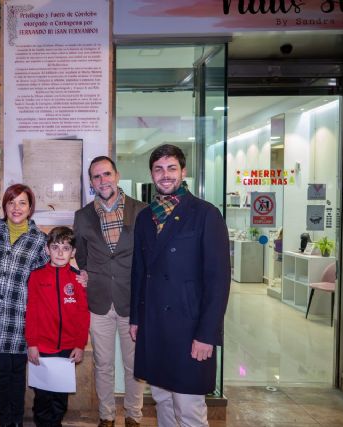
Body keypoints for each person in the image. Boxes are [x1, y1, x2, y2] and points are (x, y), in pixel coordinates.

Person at [129, 144, 231, 427]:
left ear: (183, 171)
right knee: (162, 399)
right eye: (159, 169)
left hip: (190, 328)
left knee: (189, 407)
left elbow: (218, 281)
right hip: (155, 326)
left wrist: (207, 335)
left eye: (171, 168)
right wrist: (136, 319)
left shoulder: (205, 214)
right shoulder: (145, 218)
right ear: (151, 174)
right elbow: (140, 273)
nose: (165, 175)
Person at [73, 156, 147, 427]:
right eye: (96, 177)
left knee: (134, 365)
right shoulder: (82, 217)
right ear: (91, 183)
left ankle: (133, 416)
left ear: (117, 175)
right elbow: (82, 256)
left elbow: (148, 257)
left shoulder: (142, 211)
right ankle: (106, 416)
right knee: (103, 365)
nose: (102, 181)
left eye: (106, 174)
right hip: (99, 301)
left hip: (132, 303)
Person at [0, 183, 50, 427]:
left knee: (17, 375)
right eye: (11, 202)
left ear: (30, 208)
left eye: (22, 203)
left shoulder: (40, 240)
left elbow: (48, 276)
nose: (16, 208)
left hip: (20, 317)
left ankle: (16, 421)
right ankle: (4, 421)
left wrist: (77, 275)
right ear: (4, 205)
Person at [25, 226, 90, 427]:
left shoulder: (78, 279)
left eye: (65, 248)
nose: (60, 252)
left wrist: (80, 345)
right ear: (47, 250)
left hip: (67, 350)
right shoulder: (36, 276)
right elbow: (32, 312)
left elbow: (83, 314)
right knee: (43, 398)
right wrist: (32, 344)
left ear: (73, 252)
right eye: (55, 247)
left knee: (60, 399)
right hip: (42, 348)